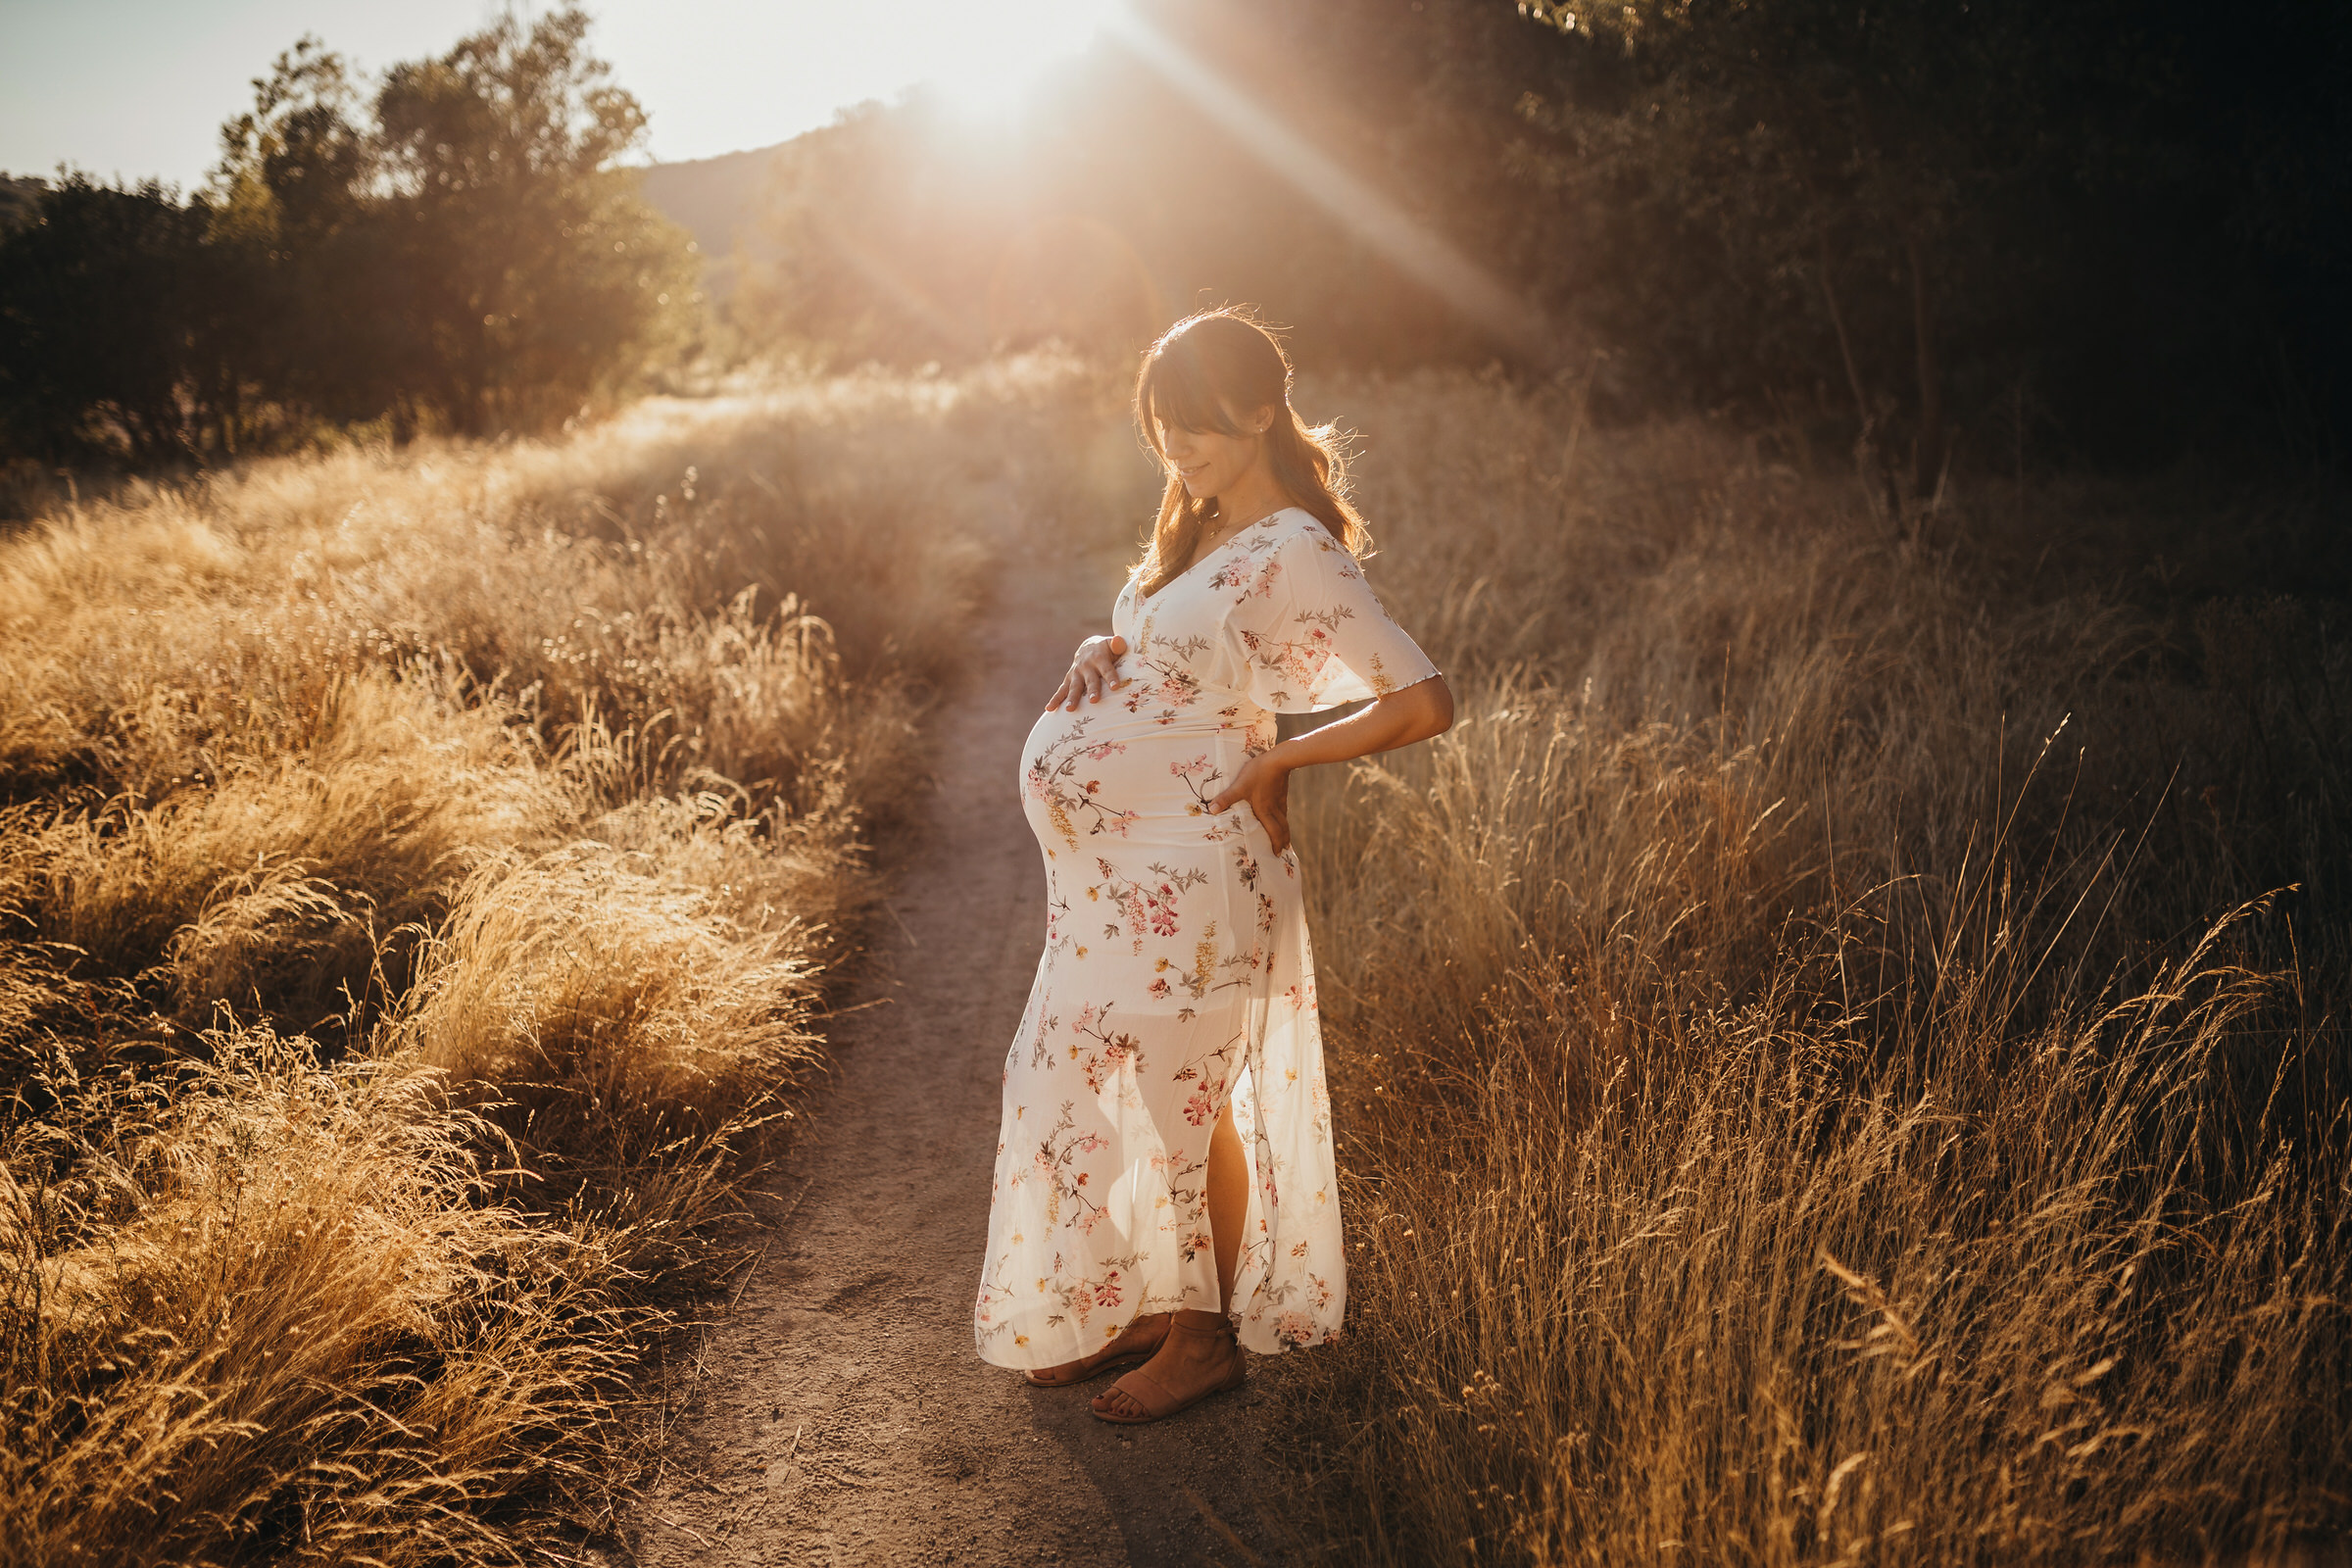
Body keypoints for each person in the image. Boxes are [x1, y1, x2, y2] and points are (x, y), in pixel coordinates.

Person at [972, 309, 1453, 1424]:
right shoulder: (1199, 517)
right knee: (1065, 1076)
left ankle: (1203, 1339)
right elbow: (1166, 637)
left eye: (1191, 424)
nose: (1172, 447)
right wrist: (1107, 644)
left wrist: (1287, 753)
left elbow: (1423, 699)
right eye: (1157, 425)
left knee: (1186, 1101)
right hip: (1106, 886)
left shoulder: (1295, 545)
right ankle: (1144, 1299)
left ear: (1257, 410)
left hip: (1199, 874)